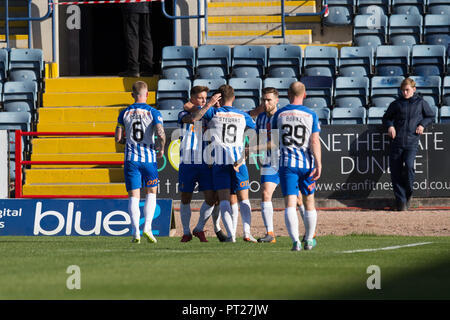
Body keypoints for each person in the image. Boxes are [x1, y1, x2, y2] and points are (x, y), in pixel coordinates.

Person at [202, 84, 258, 243]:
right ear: (233, 98)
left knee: (224, 199)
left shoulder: (213, 112)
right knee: (244, 199)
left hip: (220, 161)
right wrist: (246, 152)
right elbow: (255, 132)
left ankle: (232, 236)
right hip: (238, 161)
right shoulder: (242, 115)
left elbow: (196, 117)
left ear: (219, 97)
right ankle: (247, 233)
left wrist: (210, 103)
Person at [252, 87, 306, 244]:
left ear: (277, 101)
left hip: (285, 160)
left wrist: (252, 149)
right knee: (265, 193)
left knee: (298, 199)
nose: (266, 102)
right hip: (269, 162)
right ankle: (270, 233)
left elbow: (275, 142)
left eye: (269, 100)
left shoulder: (282, 117)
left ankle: (310, 230)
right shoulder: (261, 118)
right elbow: (260, 138)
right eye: (264, 100)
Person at [272, 81, 322, 251]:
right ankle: (308, 239)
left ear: (288, 94)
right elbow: (314, 140)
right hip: (307, 164)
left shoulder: (279, 114)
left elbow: (273, 141)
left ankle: (295, 242)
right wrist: (319, 162)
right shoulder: (311, 114)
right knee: (309, 202)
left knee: (290, 204)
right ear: (305, 94)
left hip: (287, 164)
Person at [115, 81, 165, 243]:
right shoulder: (153, 112)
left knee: (134, 197)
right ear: (147, 94)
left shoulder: (124, 113)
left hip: (131, 160)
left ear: (132, 95)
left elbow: (118, 138)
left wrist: (127, 141)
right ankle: (148, 228)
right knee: (151, 192)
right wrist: (161, 148)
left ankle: (135, 231)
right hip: (149, 158)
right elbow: (161, 133)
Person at [177, 86, 227, 242]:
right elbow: (193, 119)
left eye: (206, 98)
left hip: (206, 161)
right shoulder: (184, 113)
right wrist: (209, 104)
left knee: (212, 198)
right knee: (186, 197)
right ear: (192, 98)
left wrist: (216, 106)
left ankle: (199, 228)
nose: (204, 100)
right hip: (188, 160)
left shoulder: (209, 114)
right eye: (200, 98)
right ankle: (186, 232)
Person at [382, 78, 435, 211]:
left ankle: (408, 195)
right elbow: (386, 118)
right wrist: (390, 126)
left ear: (414, 89)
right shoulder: (396, 103)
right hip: (396, 142)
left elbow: (430, 116)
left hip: (412, 141)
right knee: (395, 171)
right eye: (403, 90)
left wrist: (422, 124)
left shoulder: (421, 103)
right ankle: (401, 203)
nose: (405, 93)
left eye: (407, 90)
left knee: (409, 166)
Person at [119, 2, 154, 77]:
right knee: (146, 36)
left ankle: (133, 68)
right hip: (146, 6)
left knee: (132, 36)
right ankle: (147, 69)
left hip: (131, 6)